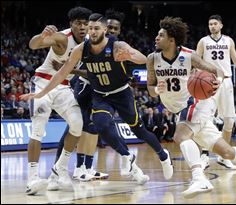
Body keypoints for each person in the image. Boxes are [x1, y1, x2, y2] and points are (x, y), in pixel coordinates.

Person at [21, 13, 173, 185]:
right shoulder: (79, 47)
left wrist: (130, 56)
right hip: (97, 92)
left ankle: (162, 155)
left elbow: (144, 59)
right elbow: (62, 72)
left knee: (137, 131)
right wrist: (41, 93)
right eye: (90, 28)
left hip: (121, 93)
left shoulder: (116, 45)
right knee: (92, 125)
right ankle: (73, 168)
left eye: (95, 28)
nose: (91, 31)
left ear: (105, 30)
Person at [147, 16, 236, 198]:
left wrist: (217, 83)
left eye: (161, 35)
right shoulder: (152, 59)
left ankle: (199, 178)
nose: (156, 38)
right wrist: (156, 90)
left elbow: (217, 71)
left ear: (172, 40)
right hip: (179, 110)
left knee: (180, 135)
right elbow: (150, 89)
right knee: (227, 152)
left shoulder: (189, 56)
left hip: (196, 102)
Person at [22, 7, 92, 195]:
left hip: (63, 87)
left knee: (78, 124)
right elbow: (33, 45)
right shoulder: (62, 37)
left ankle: (59, 168)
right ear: (71, 24)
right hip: (43, 82)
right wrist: (42, 35)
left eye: (85, 23)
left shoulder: (88, 44)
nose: (83, 27)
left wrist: (72, 70)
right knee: (38, 128)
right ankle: (32, 178)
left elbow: (91, 72)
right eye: (78, 23)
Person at [54, 9, 127, 183]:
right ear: (102, 27)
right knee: (76, 127)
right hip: (84, 87)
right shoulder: (90, 42)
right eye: (109, 27)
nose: (111, 31)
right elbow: (90, 72)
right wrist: (71, 69)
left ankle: (87, 167)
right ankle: (64, 167)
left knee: (93, 128)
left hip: (99, 90)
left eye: (115, 29)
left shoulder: (116, 46)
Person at [196, 14, 236, 169]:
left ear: (221, 25)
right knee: (206, 118)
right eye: (210, 24)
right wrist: (197, 76)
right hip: (209, 81)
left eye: (215, 23)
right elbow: (197, 60)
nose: (212, 26)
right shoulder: (203, 41)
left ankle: (223, 156)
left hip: (225, 81)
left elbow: (234, 58)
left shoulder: (228, 40)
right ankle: (204, 155)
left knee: (229, 120)